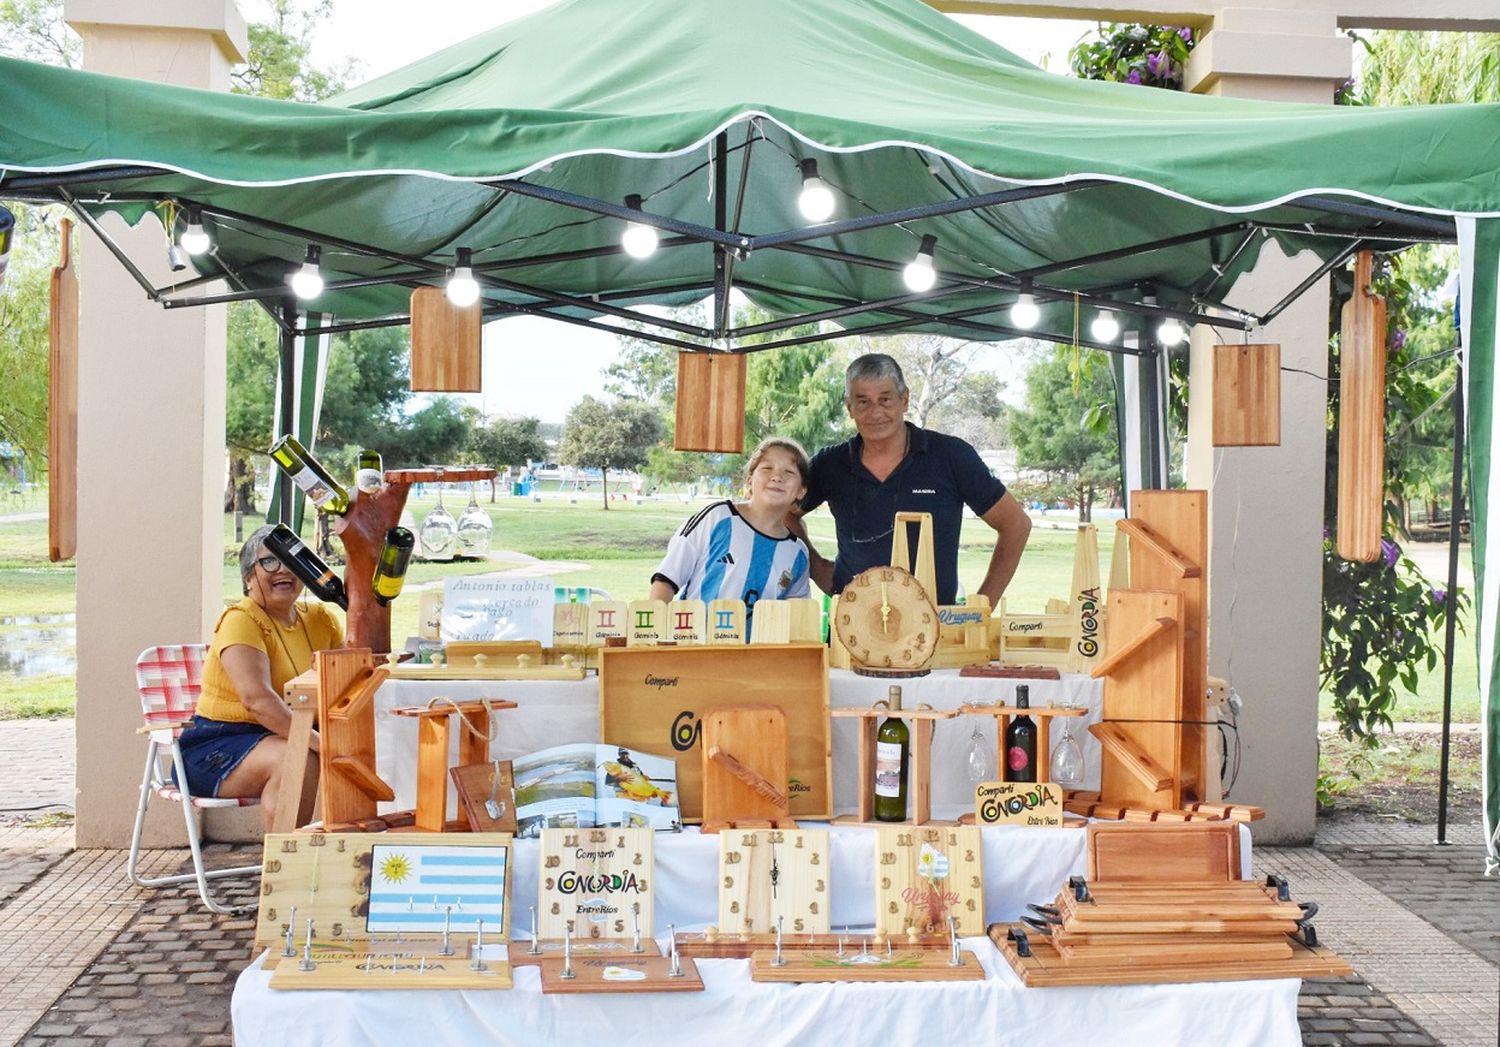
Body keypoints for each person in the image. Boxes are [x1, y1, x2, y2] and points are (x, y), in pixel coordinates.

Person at [791, 353, 1031, 606]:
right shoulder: (831, 463)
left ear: (904, 400)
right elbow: (784, 513)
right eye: (863, 402)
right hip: (852, 628)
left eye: (885, 399)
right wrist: (817, 568)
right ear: (849, 407)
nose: (876, 412)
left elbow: (1016, 524)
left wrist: (981, 607)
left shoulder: (950, 456)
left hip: (933, 631)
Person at [175, 525, 343, 829]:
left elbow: (351, 676)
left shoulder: (322, 620)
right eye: (269, 561)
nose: (284, 570)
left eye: (293, 561)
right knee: (298, 756)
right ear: (248, 576)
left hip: (288, 733)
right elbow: (257, 701)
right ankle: (284, 867)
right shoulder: (241, 620)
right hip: (217, 743)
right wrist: (322, 742)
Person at [649, 437, 813, 622]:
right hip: (693, 648)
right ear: (750, 480)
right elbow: (666, 579)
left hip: (757, 651)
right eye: (767, 468)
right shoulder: (718, 518)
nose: (776, 477)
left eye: (789, 472)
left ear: (801, 490)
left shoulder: (797, 553)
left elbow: (797, 616)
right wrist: (655, 635)